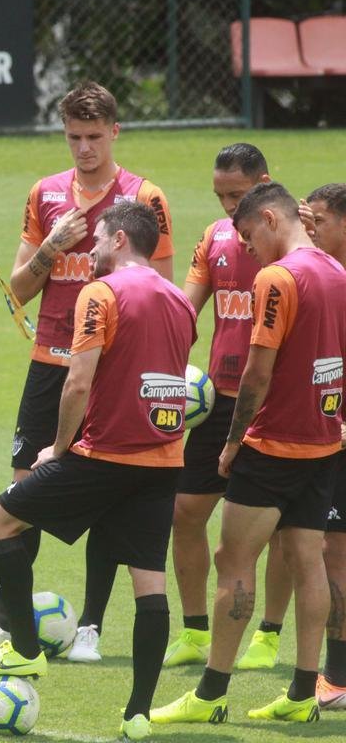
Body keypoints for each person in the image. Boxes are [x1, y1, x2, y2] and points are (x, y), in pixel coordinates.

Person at [0, 82, 175, 667]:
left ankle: (90, 626)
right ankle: (0, 627)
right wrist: (52, 248)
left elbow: (160, 289)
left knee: (111, 495)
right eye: (74, 137)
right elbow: (20, 290)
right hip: (50, 364)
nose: (84, 149)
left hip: (113, 373)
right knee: (22, 491)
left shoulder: (143, 199)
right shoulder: (46, 195)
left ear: (115, 132)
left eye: (94, 137)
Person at [0, 201, 196, 742]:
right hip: (163, 461)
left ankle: (24, 652)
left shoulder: (101, 293)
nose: (89, 250)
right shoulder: (183, 303)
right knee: (149, 585)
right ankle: (138, 713)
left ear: (119, 239)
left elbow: (77, 382)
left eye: (96, 240)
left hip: (102, 457)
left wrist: (58, 447)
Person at [153, 183, 346, 725]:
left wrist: (233, 443)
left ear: (268, 218)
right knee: (308, 560)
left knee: (232, 561)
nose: (248, 249)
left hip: (273, 445)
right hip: (324, 443)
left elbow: (258, 373)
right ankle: (304, 692)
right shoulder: (337, 272)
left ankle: (210, 694)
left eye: (248, 236)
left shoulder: (278, 279)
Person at [165, 143, 294, 671]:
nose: (226, 208)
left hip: (277, 401)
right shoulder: (215, 239)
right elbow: (184, 311)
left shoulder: (296, 237)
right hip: (217, 400)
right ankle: (195, 631)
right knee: (184, 512)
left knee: (285, 530)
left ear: (264, 184)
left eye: (236, 195)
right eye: (219, 195)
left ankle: (267, 636)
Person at [303, 182, 346, 710]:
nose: (310, 229)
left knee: (334, 554)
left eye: (321, 220)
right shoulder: (319, 276)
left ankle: (335, 679)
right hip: (317, 435)